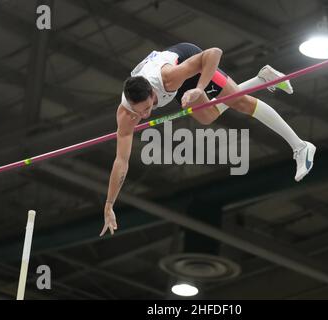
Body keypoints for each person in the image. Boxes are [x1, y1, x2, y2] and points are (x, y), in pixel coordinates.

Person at [100, 42, 316, 236]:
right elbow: (122, 160)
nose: (145, 115)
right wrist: (109, 204)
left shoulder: (169, 77)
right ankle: (262, 79)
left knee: (240, 103)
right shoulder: (127, 115)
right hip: (176, 85)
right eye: (141, 112)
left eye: (148, 107)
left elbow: (213, 53)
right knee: (207, 116)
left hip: (190, 61)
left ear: (150, 92)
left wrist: (198, 89)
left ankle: (301, 146)